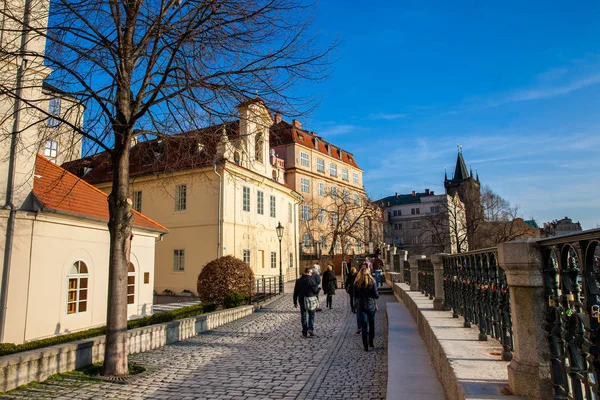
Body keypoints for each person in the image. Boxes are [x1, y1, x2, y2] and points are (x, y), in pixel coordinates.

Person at [354, 267, 379, 351]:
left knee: (364, 326)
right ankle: (371, 341)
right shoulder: (372, 282)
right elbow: (376, 295)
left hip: (362, 306)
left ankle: (365, 345)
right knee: (371, 324)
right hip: (371, 306)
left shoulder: (357, 283)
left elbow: (355, 295)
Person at [293, 267, 320, 337]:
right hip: (310, 300)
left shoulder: (298, 280)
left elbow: (295, 292)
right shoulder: (311, 280)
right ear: (308, 272)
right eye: (311, 273)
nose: (311, 274)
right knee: (311, 315)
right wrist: (318, 289)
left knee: (303, 316)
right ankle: (310, 329)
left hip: (301, 300)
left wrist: (295, 302)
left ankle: (304, 331)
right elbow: (315, 291)